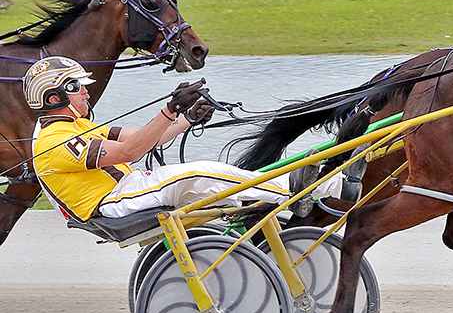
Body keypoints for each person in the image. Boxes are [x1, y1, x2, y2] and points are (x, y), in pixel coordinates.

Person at [24, 56, 353, 223]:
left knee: (217, 181)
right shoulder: (56, 140)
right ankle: (321, 189)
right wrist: (169, 108)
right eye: (76, 87)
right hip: (114, 203)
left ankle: (292, 199)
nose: (85, 91)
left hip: (130, 189)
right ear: (54, 98)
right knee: (203, 174)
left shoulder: (76, 127)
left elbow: (147, 139)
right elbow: (132, 151)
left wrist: (186, 117)